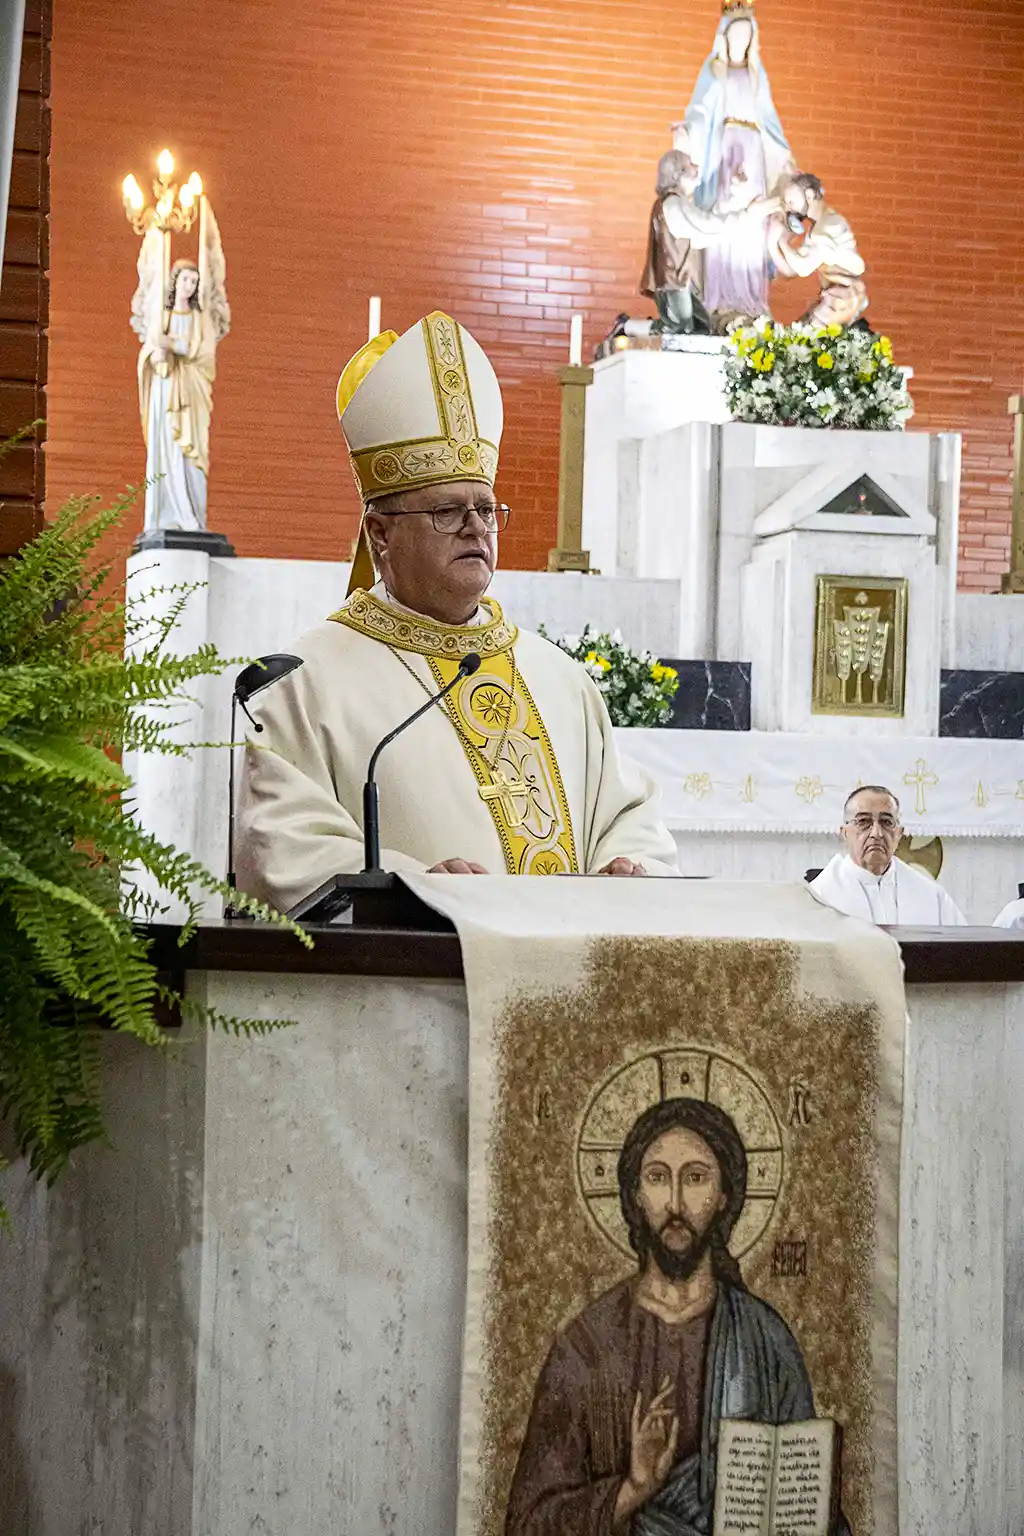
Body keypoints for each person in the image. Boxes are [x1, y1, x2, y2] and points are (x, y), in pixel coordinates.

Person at [236, 311, 678, 911]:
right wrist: (411, 886)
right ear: (380, 534)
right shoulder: (303, 684)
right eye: (447, 511)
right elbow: (282, 846)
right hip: (413, 970)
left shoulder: (559, 679)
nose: (475, 526)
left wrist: (625, 866)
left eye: (486, 509)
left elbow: (628, 816)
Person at [505, 1097, 836, 1535]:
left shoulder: (765, 1341)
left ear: (724, 1196)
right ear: (636, 1195)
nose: (676, 1203)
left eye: (696, 1178)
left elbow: (807, 1512)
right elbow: (528, 1524)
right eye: (658, 1178)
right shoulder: (586, 1348)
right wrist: (633, 1490)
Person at [682, 2, 794, 322]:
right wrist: (688, 132)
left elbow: (769, 120)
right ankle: (719, 296)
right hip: (723, 151)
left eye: (747, 36)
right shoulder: (715, 73)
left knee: (752, 225)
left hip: (753, 152)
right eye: (736, 35)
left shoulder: (757, 77)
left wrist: (783, 158)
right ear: (724, 37)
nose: (741, 42)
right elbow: (700, 112)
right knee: (725, 217)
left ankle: (749, 299)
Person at [632, 149, 779, 338]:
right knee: (679, 327)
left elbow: (702, 237)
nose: (697, 167)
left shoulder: (679, 203)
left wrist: (744, 215)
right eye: (690, 164)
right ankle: (628, 326)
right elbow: (707, 225)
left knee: (701, 325)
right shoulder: (674, 204)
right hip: (672, 281)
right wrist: (748, 214)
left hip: (682, 281)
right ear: (677, 174)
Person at [808, 786, 967, 925]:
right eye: (863, 821)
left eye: (886, 822)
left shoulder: (932, 897)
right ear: (845, 833)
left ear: (899, 834)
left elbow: (962, 946)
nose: (876, 833)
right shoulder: (819, 897)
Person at [769, 172, 868, 329]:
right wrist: (772, 245)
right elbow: (790, 271)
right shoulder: (815, 229)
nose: (788, 208)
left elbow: (802, 269)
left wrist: (781, 242)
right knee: (805, 330)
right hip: (832, 294)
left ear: (808, 196)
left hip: (843, 299)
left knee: (811, 330)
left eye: (791, 202)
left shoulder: (827, 227)